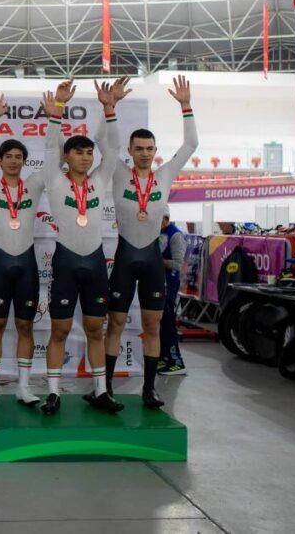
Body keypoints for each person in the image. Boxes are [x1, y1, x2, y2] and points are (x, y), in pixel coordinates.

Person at [104, 76, 196, 408]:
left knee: (153, 324)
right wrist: (110, 108)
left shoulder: (164, 175)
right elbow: (107, 145)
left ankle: (149, 389)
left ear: (155, 152)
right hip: (126, 257)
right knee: (115, 322)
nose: (144, 154)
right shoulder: (118, 173)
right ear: (130, 151)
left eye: (149, 149)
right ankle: (106, 388)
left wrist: (186, 106)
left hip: (153, 261)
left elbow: (190, 146)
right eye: (138, 149)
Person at [41, 79, 125, 416]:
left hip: (93, 261)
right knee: (59, 329)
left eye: (90, 152)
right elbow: (49, 149)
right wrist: (56, 112)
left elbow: (115, 150)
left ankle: (101, 390)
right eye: (79, 152)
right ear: (67, 155)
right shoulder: (55, 178)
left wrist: (110, 109)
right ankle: (52, 393)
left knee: (95, 329)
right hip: (65, 261)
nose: (86, 157)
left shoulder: (100, 179)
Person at [0, 93, 59, 406]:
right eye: (7, 156)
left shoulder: (34, 185)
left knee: (25, 325)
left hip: (26, 262)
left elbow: (52, 159)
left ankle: (23, 387)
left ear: (24, 161)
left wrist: (54, 119)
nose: (13, 160)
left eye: (18, 156)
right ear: (1, 161)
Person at [158, 208, 188, 375]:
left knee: (168, 321)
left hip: (169, 283)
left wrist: (157, 261)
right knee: (160, 322)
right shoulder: (157, 233)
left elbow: (177, 264)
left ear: (166, 218)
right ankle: (164, 357)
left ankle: (176, 361)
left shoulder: (175, 235)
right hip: (158, 283)